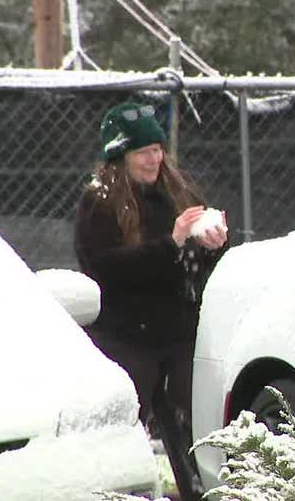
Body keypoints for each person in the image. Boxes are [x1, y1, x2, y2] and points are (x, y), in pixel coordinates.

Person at [74, 102, 227, 500]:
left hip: (178, 334)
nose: (154, 158)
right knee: (121, 434)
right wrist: (171, 243)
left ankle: (201, 493)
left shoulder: (178, 191)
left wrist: (211, 245)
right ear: (120, 155)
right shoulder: (100, 201)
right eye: (144, 151)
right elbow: (105, 267)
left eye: (158, 148)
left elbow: (195, 266)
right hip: (125, 337)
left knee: (192, 430)